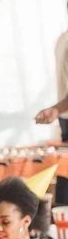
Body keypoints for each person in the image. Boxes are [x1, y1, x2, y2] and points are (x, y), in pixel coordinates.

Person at [35, 14, 68, 204]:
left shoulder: (62, 39)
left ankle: (61, 223)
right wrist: (56, 109)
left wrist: (56, 109)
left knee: (65, 171)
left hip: (64, 118)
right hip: (64, 115)